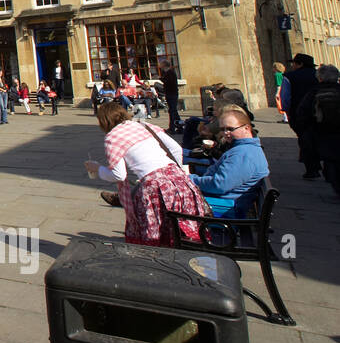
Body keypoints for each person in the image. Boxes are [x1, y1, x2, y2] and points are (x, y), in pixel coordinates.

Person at [86, 101, 210, 247]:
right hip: (179, 179)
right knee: (183, 225)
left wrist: (97, 168)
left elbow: (118, 175)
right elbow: (176, 149)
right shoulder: (144, 125)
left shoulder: (113, 137)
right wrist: (174, 173)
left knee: (157, 230)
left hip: (155, 187)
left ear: (104, 121)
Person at [189, 105, 270, 199]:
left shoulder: (243, 154)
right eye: (223, 129)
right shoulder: (245, 148)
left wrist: (190, 179)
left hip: (222, 205)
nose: (225, 133)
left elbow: (219, 185)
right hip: (220, 198)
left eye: (230, 129)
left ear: (246, 128)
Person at [280, 53, 321, 179]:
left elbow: (285, 97)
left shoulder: (290, 77)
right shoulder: (319, 75)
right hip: (319, 111)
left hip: (299, 112)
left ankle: (311, 168)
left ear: (300, 64)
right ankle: (322, 164)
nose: (292, 66)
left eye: (294, 63)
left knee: (304, 139)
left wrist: (287, 112)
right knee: (319, 138)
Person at [312, 64, 340, 195]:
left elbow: (304, 112)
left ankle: (335, 183)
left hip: (323, 130)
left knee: (330, 158)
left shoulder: (315, 91)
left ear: (320, 78)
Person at [159, 59, 181, 132]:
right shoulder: (166, 72)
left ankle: (172, 128)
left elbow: (169, 83)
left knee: (172, 111)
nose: (160, 66)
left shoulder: (170, 72)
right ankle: (180, 127)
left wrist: (161, 79)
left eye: (161, 64)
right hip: (170, 93)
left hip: (172, 94)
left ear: (164, 65)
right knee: (173, 111)